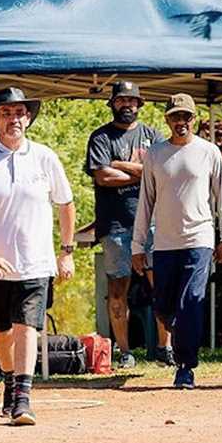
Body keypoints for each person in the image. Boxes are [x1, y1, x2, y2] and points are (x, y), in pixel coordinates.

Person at [0, 87, 75, 426]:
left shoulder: (45, 157)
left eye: (20, 113)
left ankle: (23, 399)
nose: (14, 120)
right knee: (3, 331)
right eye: (6, 114)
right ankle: (9, 380)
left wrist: (66, 252)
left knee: (27, 326)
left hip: (36, 263)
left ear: (28, 118)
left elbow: (66, 204)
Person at [131, 93, 222, 389]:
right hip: (164, 243)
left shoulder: (209, 152)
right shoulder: (155, 154)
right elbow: (145, 202)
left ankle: (185, 366)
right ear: (167, 120)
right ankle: (178, 331)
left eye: (186, 117)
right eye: (175, 117)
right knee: (164, 307)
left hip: (199, 239)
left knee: (191, 302)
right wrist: (138, 246)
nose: (181, 122)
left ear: (195, 120)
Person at [85, 81, 172, 369]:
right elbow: (102, 178)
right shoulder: (100, 137)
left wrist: (120, 164)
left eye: (132, 101)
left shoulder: (153, 137)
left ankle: (164, 348)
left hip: (154, 224)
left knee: (161, 287)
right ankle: (124, 352)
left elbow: (161, 171)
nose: (127, 105)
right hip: (116, 226)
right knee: (117, 291)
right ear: (112, 103)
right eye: (122, 100)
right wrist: (142, 173)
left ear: (140, 105)